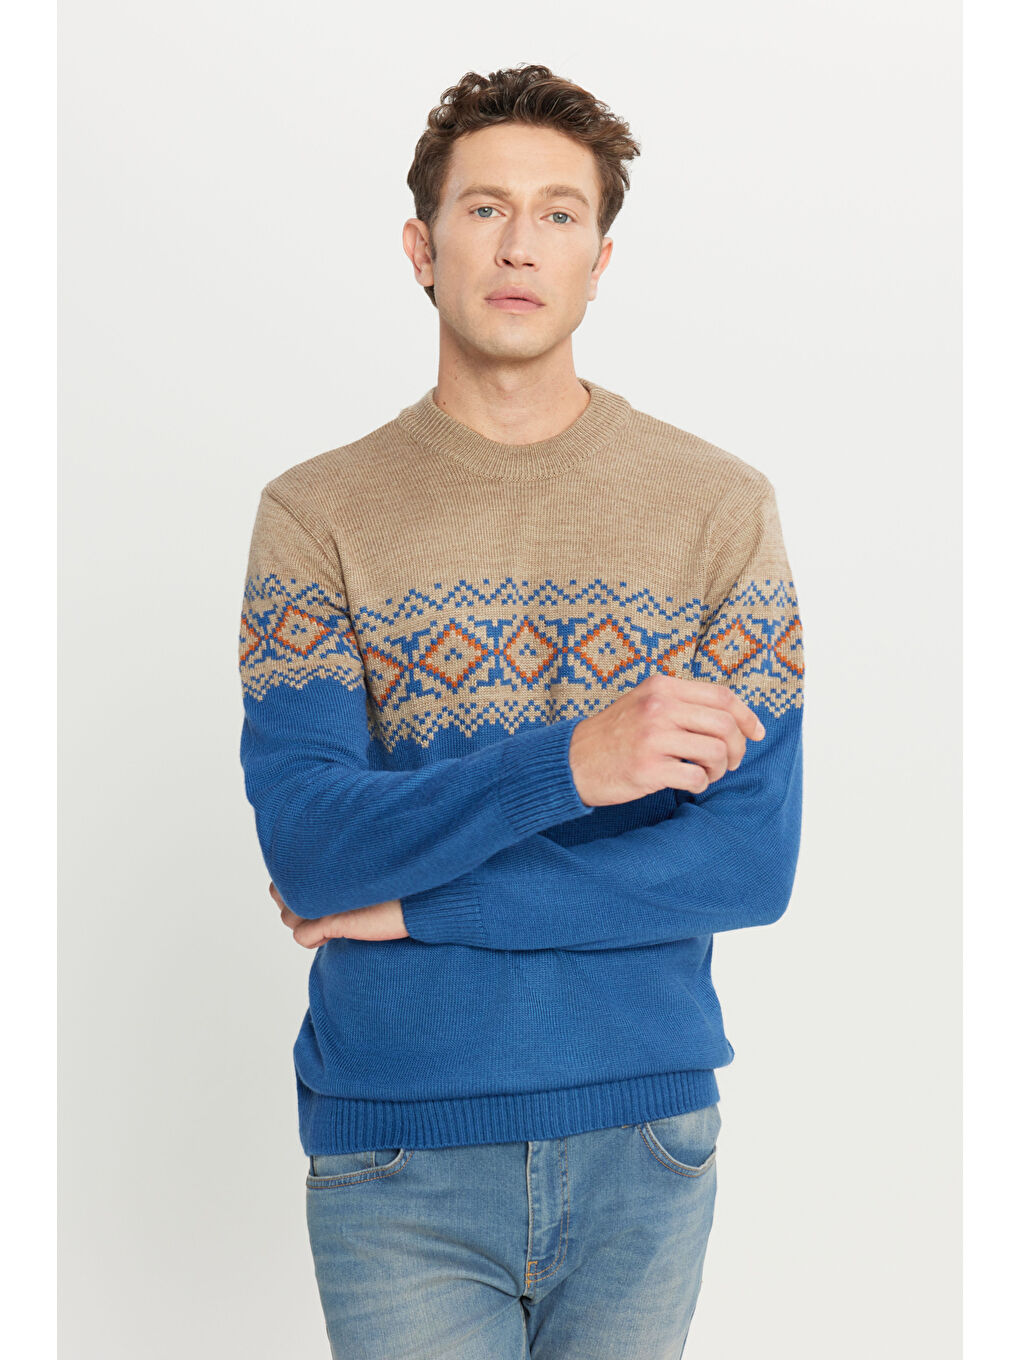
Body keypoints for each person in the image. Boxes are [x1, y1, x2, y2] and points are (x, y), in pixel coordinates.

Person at [238, 61, 805, 1360]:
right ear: (421, 247)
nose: (519, 244)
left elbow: (745, 864)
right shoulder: (316, 515)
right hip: (397, 1147)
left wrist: (416, 908)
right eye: (484, 208)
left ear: (599, 261)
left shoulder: (719, 508)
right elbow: (312, 846)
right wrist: (572, 766)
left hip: (644, 1138)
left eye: (559, 213)